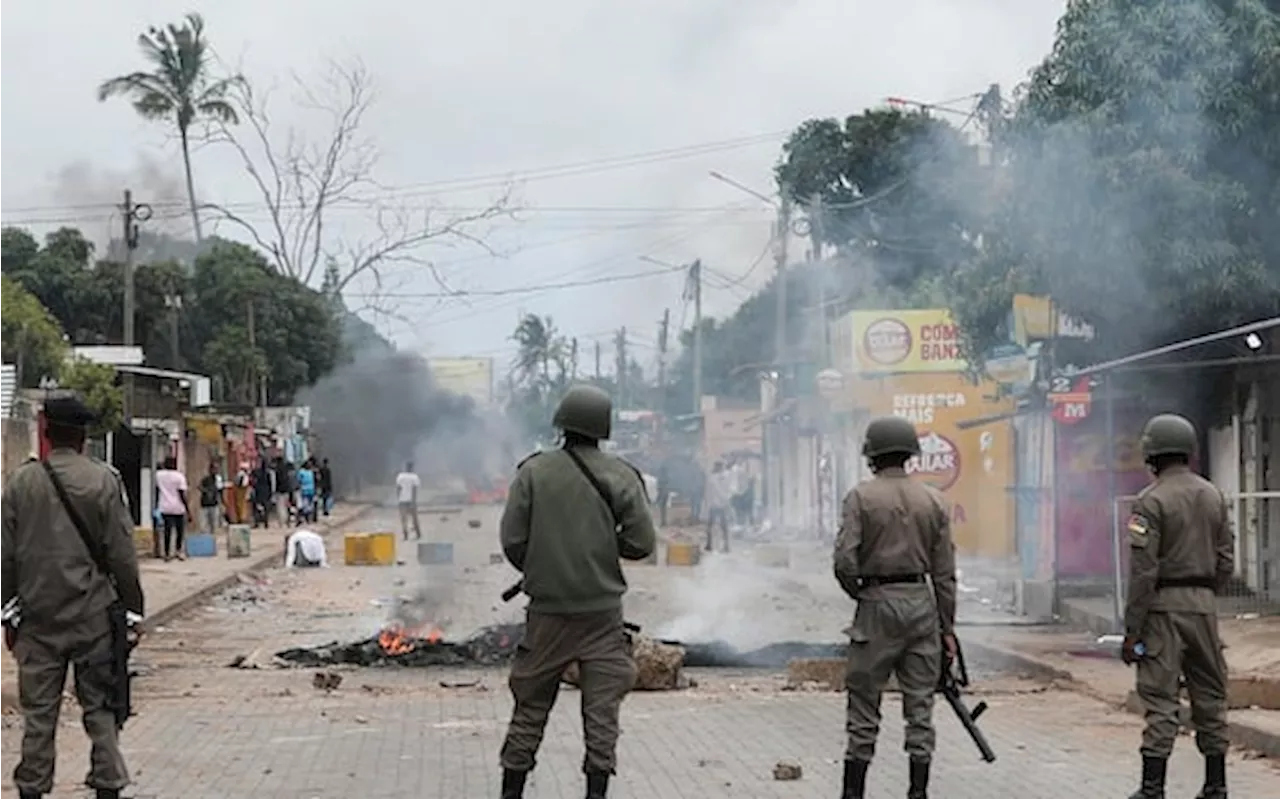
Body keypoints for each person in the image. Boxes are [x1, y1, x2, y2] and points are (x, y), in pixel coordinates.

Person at [498, 384, 656, 799]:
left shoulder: (532, 472)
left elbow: (513, 540)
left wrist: (542, 563)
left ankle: (511, 791)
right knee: (602, 717)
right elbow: (642, 543)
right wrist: (603, 547)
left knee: (529, 710)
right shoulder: (622, 475)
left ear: (561, 424)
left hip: (546, 615)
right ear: (603, 428)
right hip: (602, 618)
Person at [0, 393, 145, 799]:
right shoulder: (104, 480)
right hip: (93, 619)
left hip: (37, 620)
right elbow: (122, 555)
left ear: (46, 431)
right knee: (100, 709)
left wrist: (7, 611)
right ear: (84, 436)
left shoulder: (21, 483)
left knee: (39, 717)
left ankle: (32, 789)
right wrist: (134, 612)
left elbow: (4, 557)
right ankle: (109, 785)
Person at [833, 415, 956, 799]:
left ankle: (854, 794)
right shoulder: (933, 500)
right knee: (920, 706)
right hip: (922, 604)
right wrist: (947, 628)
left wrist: (861, 592)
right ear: (909, 455)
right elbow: (945, 573)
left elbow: (843, 561)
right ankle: (917, 793)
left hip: (876, 602)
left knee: (864, 703)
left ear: (872, 456)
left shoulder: (860, 497)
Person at [1123, 414, 1232, 799]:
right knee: (1210, 696)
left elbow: (1143, 571)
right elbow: (1226, 561)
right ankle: (1216, 785)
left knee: (1160, 698)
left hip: (1163, 609)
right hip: (1204, 606)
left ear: (1152, 453)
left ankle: (1153, 788)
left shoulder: (1149, 501)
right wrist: (1204, 592)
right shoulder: (1214, 495)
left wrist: (1132, 629)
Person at [154, 456, 192, 562]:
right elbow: (182, 494)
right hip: (178, 507)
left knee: (167, 530)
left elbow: (157, 490)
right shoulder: (179, 476)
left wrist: (156, 505)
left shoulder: (159, 475)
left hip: (165, 506)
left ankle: (166, 553)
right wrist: (188, 510)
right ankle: (178, 551)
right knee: (180, 530)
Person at [703, 461, 731, 552]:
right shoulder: (726, 477)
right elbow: (728, 490)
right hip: (723, 504)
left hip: (714, 505)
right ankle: (726, 545)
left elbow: (708, 492)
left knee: (710, 525)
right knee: (724, 526)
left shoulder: (712, 478)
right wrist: (726, 500)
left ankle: (709, 544)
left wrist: (707, 505)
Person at [395, 462, 422, 541]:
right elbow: (414, 490)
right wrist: (413, 501)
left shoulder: (400, 476)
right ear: (412, 468)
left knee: (404, 519)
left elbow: (398, 489)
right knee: (414, 518)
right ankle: (418, 534)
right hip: (411, 501)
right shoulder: (414, 477)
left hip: (402, 500)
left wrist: (398, 499)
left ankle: (405, 535)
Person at [197, 461, 222, 539]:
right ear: (210, 469)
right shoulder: (206, 479)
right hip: (205, 504)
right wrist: (206, 491)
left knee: (214, 525)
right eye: (214, 469)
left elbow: (220, 491)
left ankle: (212, 540)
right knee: (203, 525)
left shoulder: (218, 479)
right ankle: (205, 540)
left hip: (214, 504)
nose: (216, 470)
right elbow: (199, 486)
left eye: (217, 469)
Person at [250, 460, 275, 529]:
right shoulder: (268, 473)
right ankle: (266, 522)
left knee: (256, 507)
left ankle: (257, 522)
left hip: (258, 491)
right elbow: (270, 484)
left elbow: (253, 481)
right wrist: (271, 493)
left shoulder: (256, 472)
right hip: (266, 491)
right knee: (266, 508)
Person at [296, 459, 317, 524]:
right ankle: (308, 517)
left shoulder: (301, 472)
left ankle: (307, 517)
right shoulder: (311, 472)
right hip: (310, 490)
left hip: (305, 490)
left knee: (306, 504)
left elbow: (298, 480)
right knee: (309, 504)